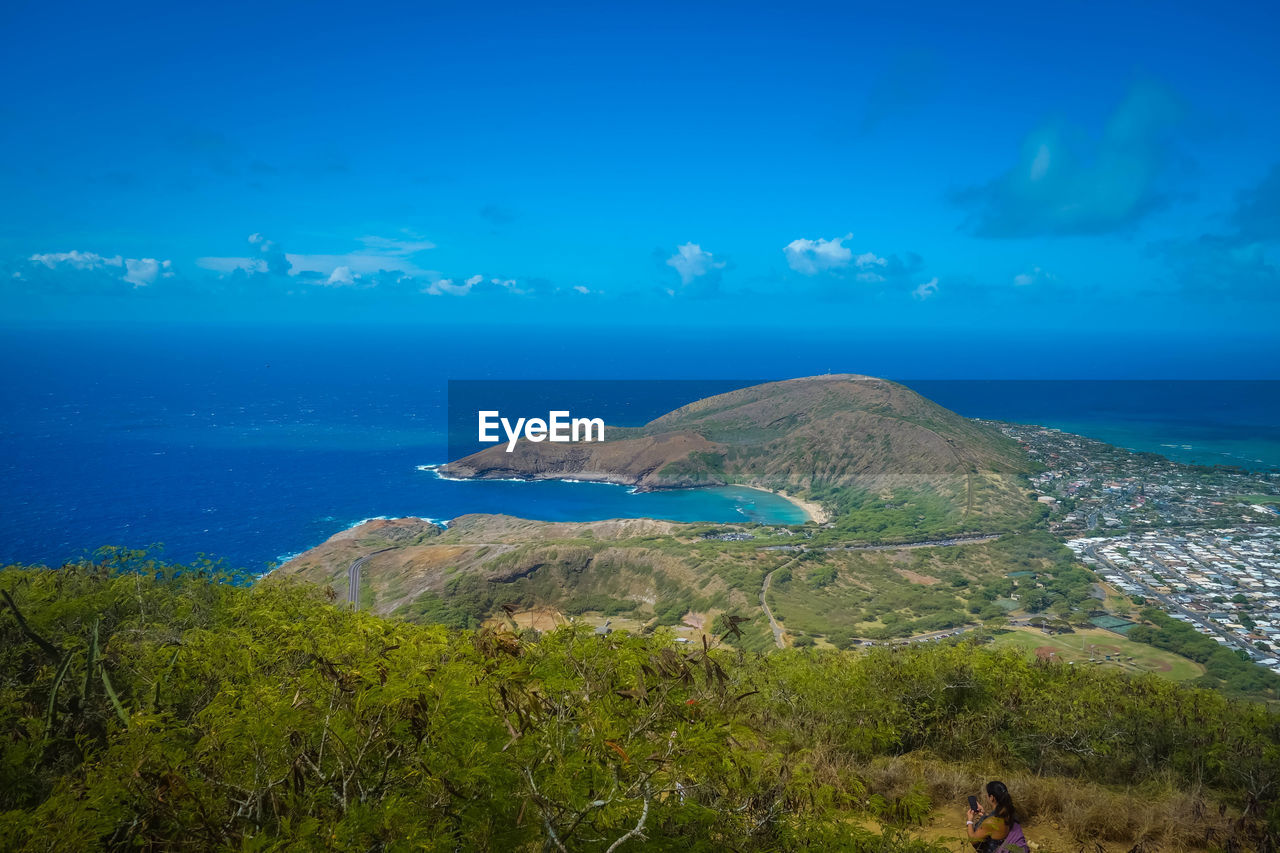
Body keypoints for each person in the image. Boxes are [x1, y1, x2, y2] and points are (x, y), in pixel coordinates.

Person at [965, 780, 1020, 852]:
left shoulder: (991, 822)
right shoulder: (1010, 813)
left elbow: (973, 840)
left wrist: (969, 820)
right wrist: (984, 816)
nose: (986, 796)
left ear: (991, 797)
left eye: (987, 794)